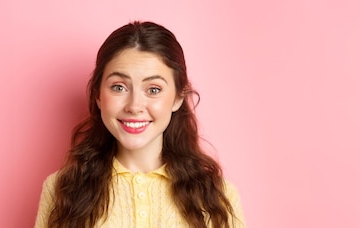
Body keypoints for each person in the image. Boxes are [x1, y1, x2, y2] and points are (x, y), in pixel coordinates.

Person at [34, 21, 245, 228]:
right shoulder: (61, 189)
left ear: (178, 98)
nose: (134, 106)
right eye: (119, 87)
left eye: (153, 89)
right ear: (98, 95)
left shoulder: (218, 197)